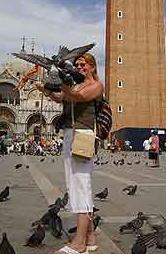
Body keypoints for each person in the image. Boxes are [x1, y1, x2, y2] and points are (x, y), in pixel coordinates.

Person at [36, 52, 103, 254]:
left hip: (83, 136)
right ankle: (90, 239)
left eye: (84, 64)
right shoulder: (75, 84)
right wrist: (47, 89)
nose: (80, 67)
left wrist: (63, 81)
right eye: (78, 64)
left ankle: (79, 243)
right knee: (75, 184)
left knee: (81, 186)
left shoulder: (96, 86)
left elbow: (79, 97)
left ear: (92, 67)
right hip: (70, 135)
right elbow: (61, 97)